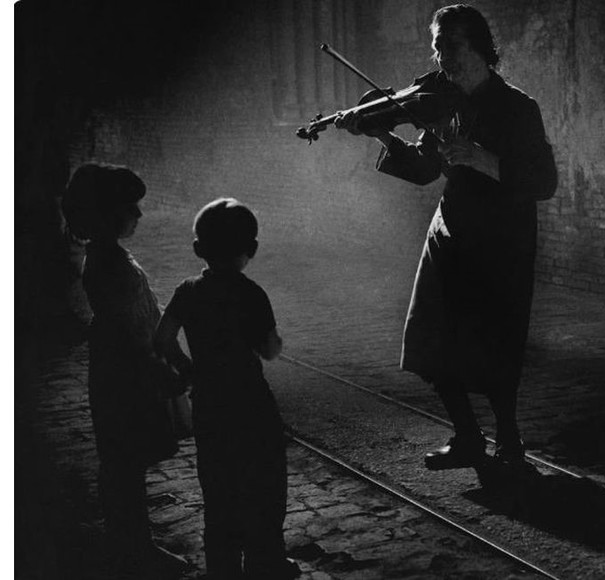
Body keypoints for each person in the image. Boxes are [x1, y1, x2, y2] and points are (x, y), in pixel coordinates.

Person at [335, 4, 558, 470]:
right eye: (437, 47)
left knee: (496, 341)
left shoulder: (518, 108)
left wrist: (482, 159)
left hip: (501, 240)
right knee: (429, 338)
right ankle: (467, 436)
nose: (442, 57)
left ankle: (510, 441)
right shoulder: (442, 103)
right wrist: (380, 135)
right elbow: (423, 170)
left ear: (479, 47)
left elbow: (543, 182)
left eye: (450, 46)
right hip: (450, 230)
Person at [153, 198, 300, 580]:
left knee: (218, 489)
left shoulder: (187, 291)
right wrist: (275, 341)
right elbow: (269, 350)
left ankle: (223, 568)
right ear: (252, 249)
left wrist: (187, 368)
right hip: (251, 404)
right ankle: (266, 562)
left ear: (198, 248)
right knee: (265, 484)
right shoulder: (251, 293)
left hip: (210, 404)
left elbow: (163, 338)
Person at [61, 163, 189, 576]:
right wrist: (161, 369)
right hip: (124, 375)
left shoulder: (110, 257)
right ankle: (133, 547)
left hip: (124, 368)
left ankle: (132, 542)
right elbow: (128, 329)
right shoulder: (109, 263)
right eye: (130, 206)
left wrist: (170, 352)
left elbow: (142, 314)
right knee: (124, 462)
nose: (138, 214)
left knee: (125, 460)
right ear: (109, 213)